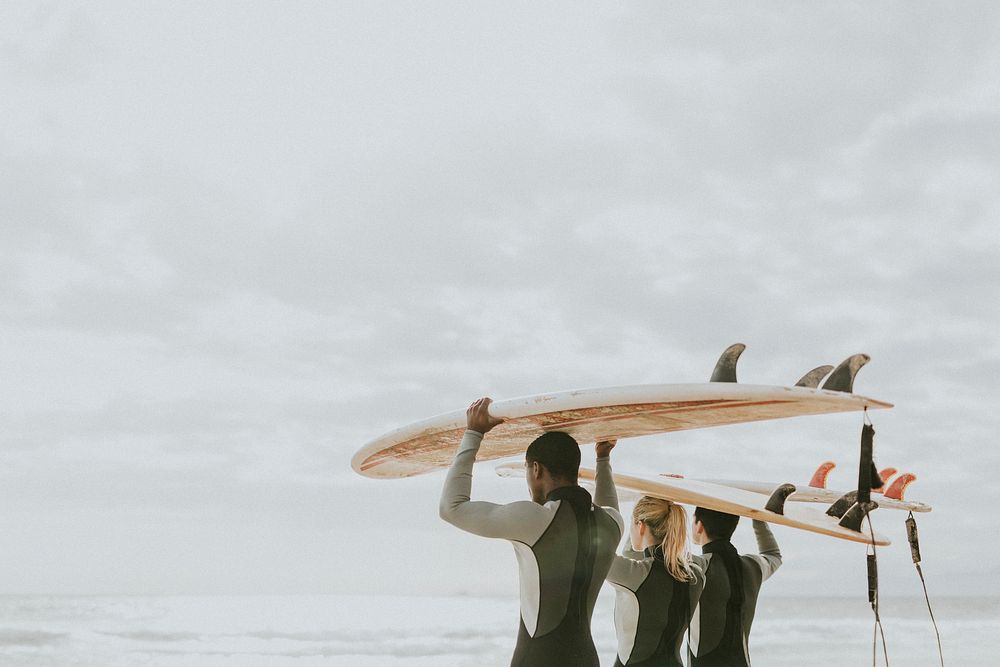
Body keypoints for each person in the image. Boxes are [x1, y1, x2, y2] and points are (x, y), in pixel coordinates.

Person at [439, 397, 624, 667]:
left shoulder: (534, 519)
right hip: (586, 659)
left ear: (536, 469)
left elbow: (451, 508)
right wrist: (603, 459)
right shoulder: (612, 524)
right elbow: (607, 505)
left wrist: (473, 433)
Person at [595, 442, 706, 667]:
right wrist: (649, 500)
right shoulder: (696, 576)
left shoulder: (634, 575)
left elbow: (604, 528)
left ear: (641, 526)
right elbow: (643, 558)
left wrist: (602, 459)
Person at [687, 508, 781, 667]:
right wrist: (757, 517)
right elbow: (773, 555)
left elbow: (655, 561)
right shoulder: (753, 566)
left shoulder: (695, 568)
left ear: (699, 526)